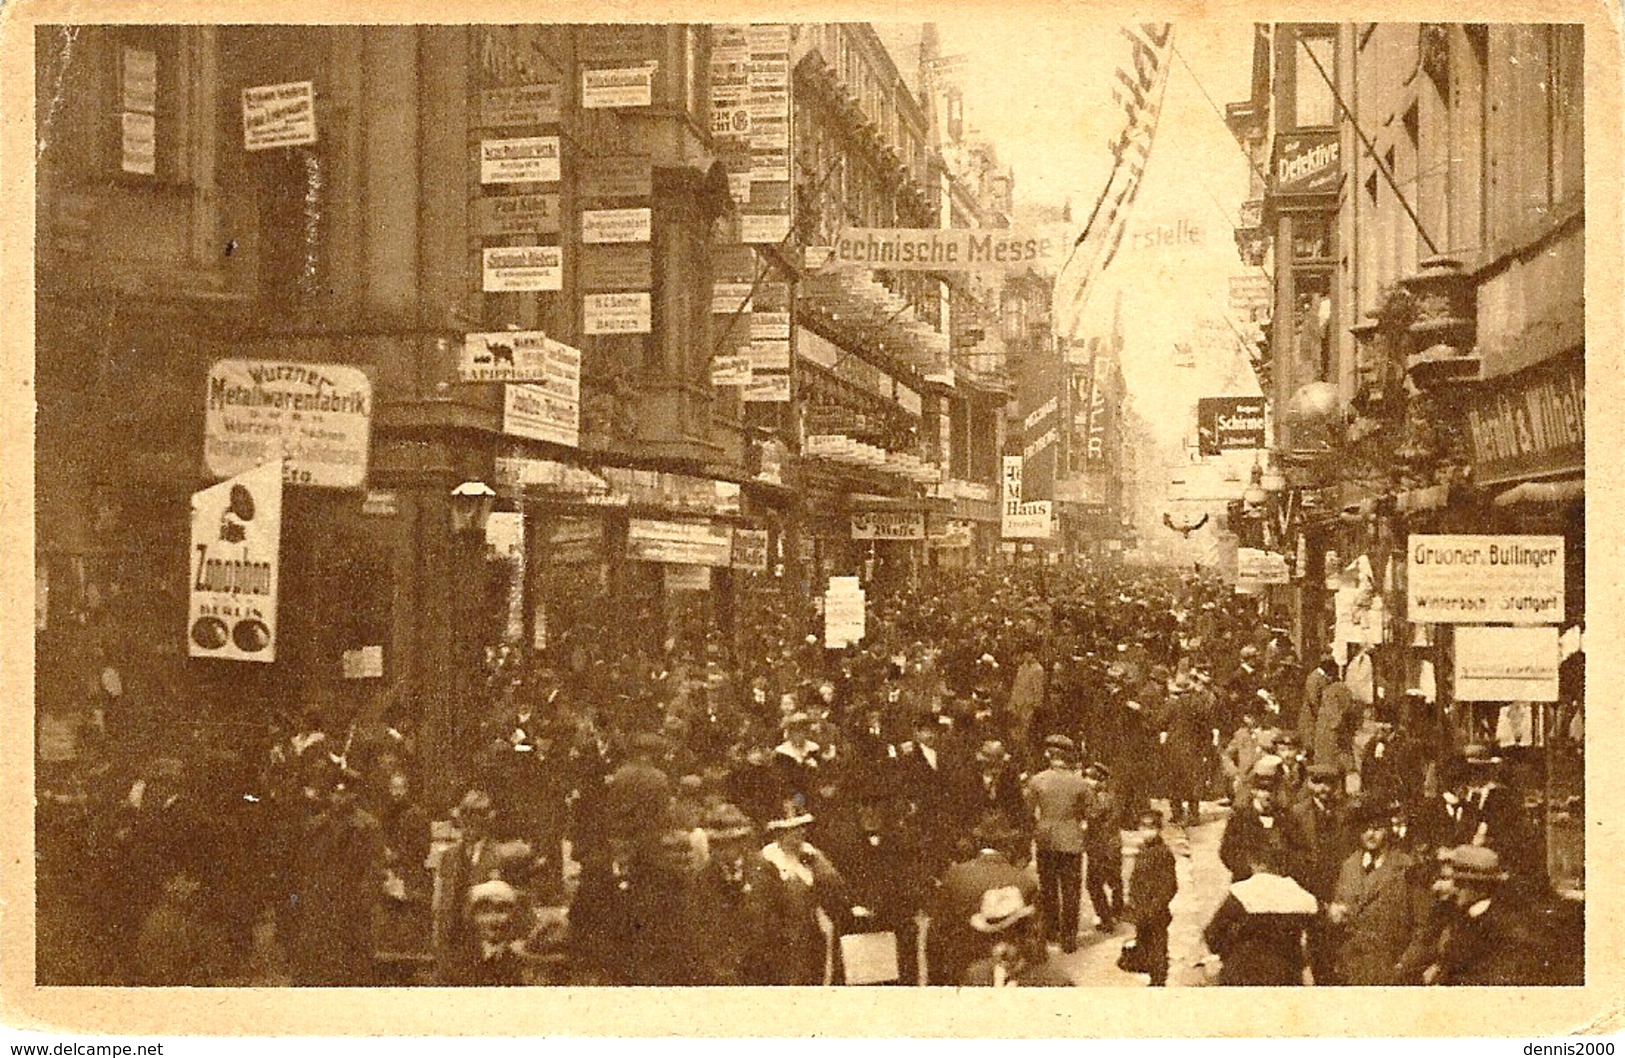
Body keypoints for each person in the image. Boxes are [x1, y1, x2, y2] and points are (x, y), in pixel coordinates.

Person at [286, 766, 386, 986]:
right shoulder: (316, 827)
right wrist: (305, 899)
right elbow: (305, 868)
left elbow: (375, 868)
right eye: (335, 792)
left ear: (354, 795)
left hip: (353, 908)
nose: (339, 798)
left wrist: (363, 899)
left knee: (354, 967)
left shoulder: (367, 827)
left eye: (344, 793)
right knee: (318, 966)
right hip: (321, 907)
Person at [928, 814, 1039, 986]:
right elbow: (1035, 941)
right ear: (1009, 846)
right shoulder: (1025, 881)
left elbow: (937, 935)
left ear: (977, 843)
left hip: (963, 968)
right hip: (1010, 972)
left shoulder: (955, 875)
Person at [1328, 800, 1427, 985]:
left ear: (1388, 829)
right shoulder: (1348, 866)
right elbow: (1339, 912)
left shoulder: (1406, 867)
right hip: (1351, 971)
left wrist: (1403, 966)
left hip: (1390, 971)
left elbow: (1423, 927)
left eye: (1377, 828)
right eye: (1365, 829)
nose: (1370, 834)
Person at [754, 808, 847, 985]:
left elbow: (836, 889)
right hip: (779, 940)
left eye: (802, 828)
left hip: (810, 937)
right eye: (794, 829)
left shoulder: (811, 857)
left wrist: (818, 865)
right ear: (779, 834)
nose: (801, 833)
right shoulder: (766, 861)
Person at [1202, 848, 1319, 986]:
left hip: (1243, 971)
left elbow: (1213, 935)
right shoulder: (1302, 896)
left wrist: (1227, 952)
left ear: (1254, 863)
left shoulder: (1242, 892)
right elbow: (1315, 939)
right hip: (1287, 974)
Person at [1024, 735, 1090, 952]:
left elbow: (1026, 810)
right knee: (1071, 890)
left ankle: (1052, 931)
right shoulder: (1079, 783)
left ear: (1050, 756)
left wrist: (1039, 826)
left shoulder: (1037, 780)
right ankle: (1069, 938)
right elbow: (1091, 811)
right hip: (1071, 839)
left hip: (1046, 839)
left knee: (1048, 888)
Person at [961, 886, 1073, 987]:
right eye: (994, 937)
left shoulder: (1052, 982)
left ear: (1024, 935)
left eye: (1010, 936)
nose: (1000, 948)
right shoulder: (975, 977)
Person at [1124, 808, 1177, 987]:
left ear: (1158, 829)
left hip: (1155, 911)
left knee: (1157, 948)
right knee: (1145, 944)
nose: (1146, 831)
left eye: (1150, 827)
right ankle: (1152, 975)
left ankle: (1158, 980)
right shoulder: (1145, 849)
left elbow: (1170, 886)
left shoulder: (1163, 853)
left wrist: (1154, 907)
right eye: (1143, 826)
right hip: (1142, 909)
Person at [1082, 762, 1124, 932]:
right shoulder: (1108, 795)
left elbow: (1092, 814)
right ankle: (1116, 911)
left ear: (1100, 780)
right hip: (1110, 845)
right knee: (1114, 881)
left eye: (1090, 778)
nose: (1086, 782)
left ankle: (1107, 918)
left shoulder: (1102, 797)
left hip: (1102, 847)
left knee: (1093, 884)